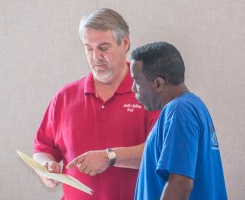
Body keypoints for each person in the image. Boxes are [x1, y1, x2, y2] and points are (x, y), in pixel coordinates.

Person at [33, 8, 160, 200]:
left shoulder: (151, 93)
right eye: (88, 48)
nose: (95, 57)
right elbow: (43, 148)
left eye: (103, 48)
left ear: (125, 43)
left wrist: (110, 157)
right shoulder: (65, 97)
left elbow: (160, 152)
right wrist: (46, 167)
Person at [130, 41, 227, 200]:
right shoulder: (192, 106)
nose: (133, 88)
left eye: (138, 82)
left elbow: (180, 183)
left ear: (158, 84)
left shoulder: (179, 111)